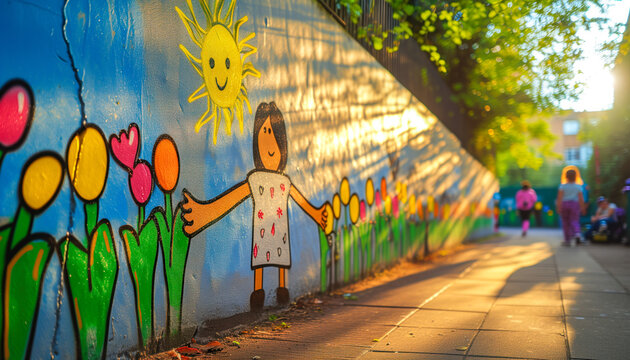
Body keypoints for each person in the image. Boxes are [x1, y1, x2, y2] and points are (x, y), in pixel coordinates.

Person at [181, 102, 329, 312]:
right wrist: (205, 212)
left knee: (280, 255)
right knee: (261, 256)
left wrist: (317, 214)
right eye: (264, 133)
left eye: (273, 135)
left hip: (279, 229)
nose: (270, 145)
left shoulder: (284, 181)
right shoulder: (256, 178)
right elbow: (233, 197)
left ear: (282, 144)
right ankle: (258, 290)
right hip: (262, 228)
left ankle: (281, 287)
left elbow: (301, 201)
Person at [556, 168, 585, 245]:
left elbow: (559, 198)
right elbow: (581, 199)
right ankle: (577, 234)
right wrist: (582, 207)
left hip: (564, 204)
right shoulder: (578, 186)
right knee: (575, 220)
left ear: (566, 176)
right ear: (576, 176)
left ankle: (567, 240)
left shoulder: (562, 186)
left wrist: (558, 207)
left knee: (565, 222)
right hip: (575, 205)